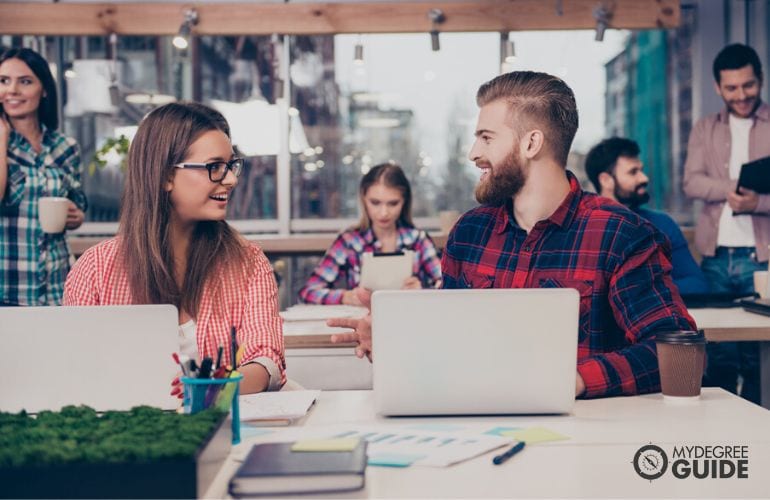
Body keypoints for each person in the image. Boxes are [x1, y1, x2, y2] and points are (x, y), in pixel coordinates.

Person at [331, 71, 695, 398]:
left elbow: (674, 348)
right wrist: (395, 344)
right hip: (478, 431)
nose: (474, 153)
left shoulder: (620, 234)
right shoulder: (469, 234)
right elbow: (452, 348)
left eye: (486, 138)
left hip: (584, 442)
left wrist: (575, 379)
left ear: (531, 143)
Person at [63, 102, 285, 395]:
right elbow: (73, 368)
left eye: (231, 166)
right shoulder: (96, 269)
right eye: (214, 167)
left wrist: (215, 388)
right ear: (166, 175)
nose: (230, 179)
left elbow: (266, 359)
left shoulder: (248, 262)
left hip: (221, 427)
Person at [683, 43, 770, 404]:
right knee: (719, 355)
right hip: (717, 257)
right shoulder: (704, 128)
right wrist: (732, 188)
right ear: (718, 87)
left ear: (760, 81)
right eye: (731, 88)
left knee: (758, 359)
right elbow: (692, 182)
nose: (741, 95)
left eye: (748, 86)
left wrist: (759, 203)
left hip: (763, 260)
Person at [0, 47, 86, 306]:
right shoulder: (2, 144)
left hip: (57, 287)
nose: (12, 90)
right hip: (8, 289)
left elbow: (78, 201)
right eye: (4, 81)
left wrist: (76, 216)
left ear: (44, 89)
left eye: (24, 81)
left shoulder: (65, 147)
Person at [298, 162, 442, 305]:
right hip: (362, 323)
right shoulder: (349, 241)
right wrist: (345, 296)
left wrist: (423, 292)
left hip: (410, 322)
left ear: (404, 202)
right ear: (363, 199)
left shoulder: (419, 240)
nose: (384, 213)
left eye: (393, 203)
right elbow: (308, 292)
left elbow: (448, 288)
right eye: (375, 202)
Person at [585, 137, 709, 294]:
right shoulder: (586, 228)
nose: (644, 178)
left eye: (641, 170)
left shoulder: (662, 223)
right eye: (633, 172)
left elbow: (697, 284)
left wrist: (644, 289)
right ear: (606, 180)